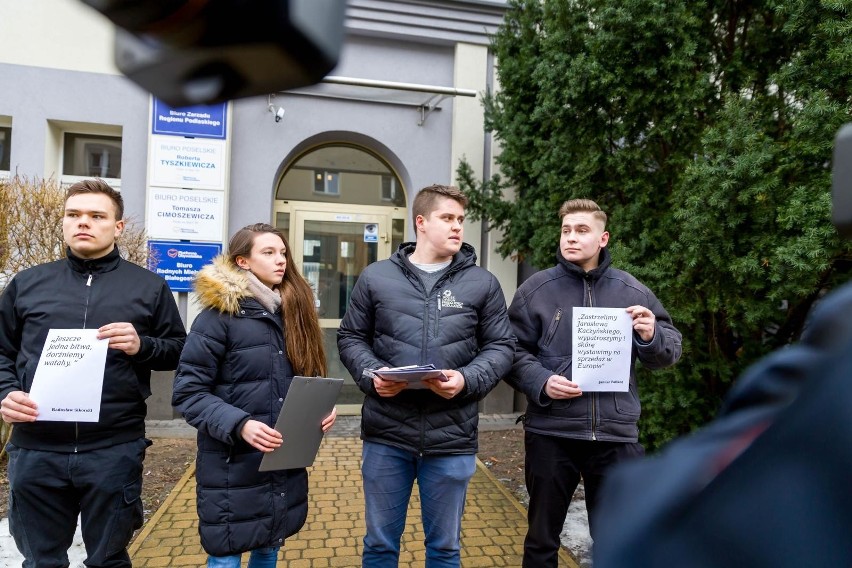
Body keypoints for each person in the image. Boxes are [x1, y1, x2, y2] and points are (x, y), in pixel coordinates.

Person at [0, 179, 186, 568]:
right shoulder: (27, 285)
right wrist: (5, 392)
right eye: (74, 215)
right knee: (41, 562)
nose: (83, 223)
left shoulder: (148, 287)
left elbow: (179, 350)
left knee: (108, 560)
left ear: (118, 226)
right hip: (37, 448)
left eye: (96, 216)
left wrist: (143, 346)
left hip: (113, 448)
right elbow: (2, 351)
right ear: (64, 222)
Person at [337, 184, 515, 567]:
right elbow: (351, 336)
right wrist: (373, 376)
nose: (457, 228)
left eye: (461, 220)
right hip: (387, 436)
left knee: (445, 549)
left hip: (451, 438)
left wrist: (467, 379)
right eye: (447, 218)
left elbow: (502, 347)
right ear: (421, 222)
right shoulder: (376, 277)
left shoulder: (482, 283)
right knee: (380, 546)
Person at [506, 198, 682, 567]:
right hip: (552, 433)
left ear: (603, 238)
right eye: (566, 230)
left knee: (617, 540)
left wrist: (651, 336)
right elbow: (509, 352)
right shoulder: (535, 290)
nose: (571, 237)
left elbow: (669, 350)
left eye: (582, 230)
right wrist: (541, 380)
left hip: (616, 437)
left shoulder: (633, 292)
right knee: (541, 540)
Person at [172, 223, 337, 568]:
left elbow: (301, 382)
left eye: (283, 253)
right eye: (269, 252)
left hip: (280, 465)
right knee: (227, 558)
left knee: (267, 551)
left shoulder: (292, 313)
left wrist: (319, 411)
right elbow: (188, 393)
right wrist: (240, 424)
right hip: (232, 469)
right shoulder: (217, 319)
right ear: (242, 262)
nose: (281, 260)